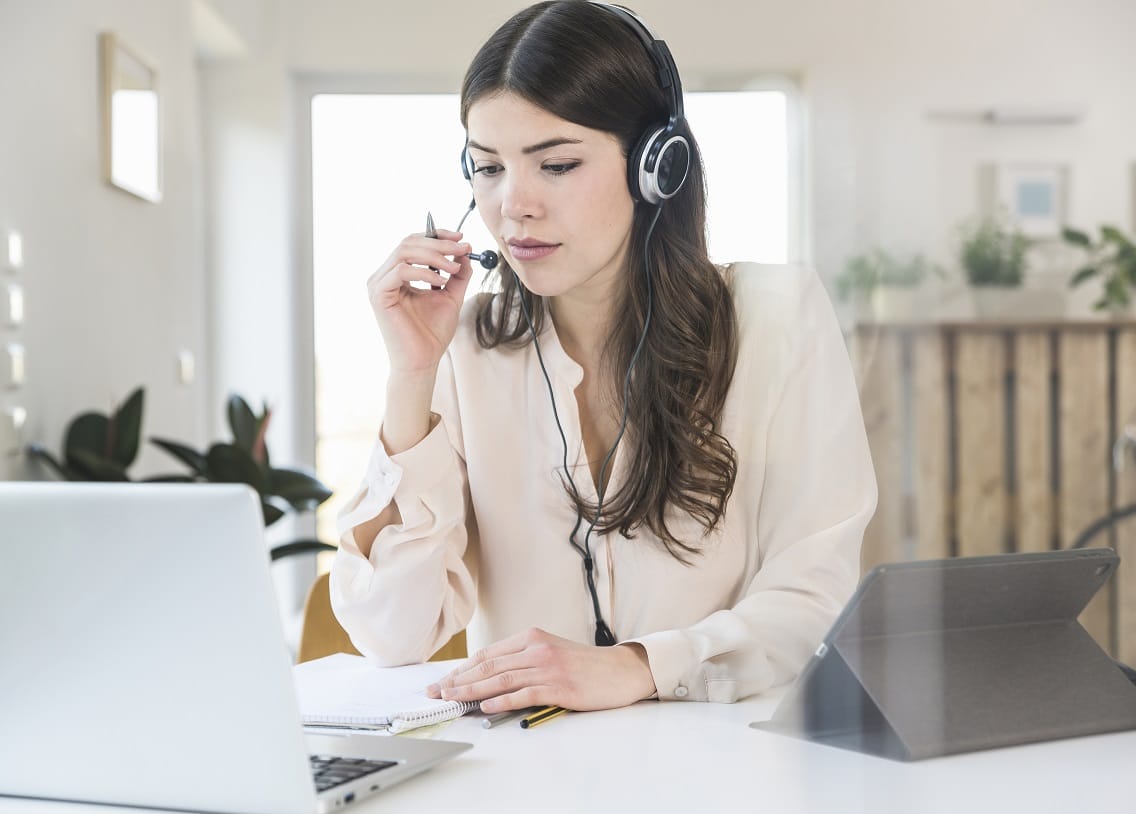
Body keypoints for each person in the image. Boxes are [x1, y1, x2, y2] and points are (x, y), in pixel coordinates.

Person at [330, 0, 877, 715]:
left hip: (727, 768)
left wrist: (641, 667)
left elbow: (816, 600)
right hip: (528, 779)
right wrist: (411, 377)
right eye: (487, 167)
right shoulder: (464, 349)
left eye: (556, 164)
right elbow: (393, 634)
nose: (513, 204)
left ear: (657, 166)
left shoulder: (777, 317)